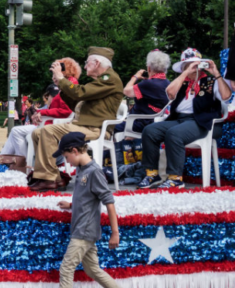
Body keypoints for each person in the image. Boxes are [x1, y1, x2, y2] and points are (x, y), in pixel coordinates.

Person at [30, 132, 140, 288]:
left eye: (66, 157)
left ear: (75, 151)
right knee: (92, 270)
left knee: (66, 268)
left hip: (84, 232)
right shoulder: (82, 170)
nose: (66, 161)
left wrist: (115, 232)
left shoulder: (94, 172)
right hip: (82, 228)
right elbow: (88, 198)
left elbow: (109, 202)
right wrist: (71, 204)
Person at [29, 47, 124, 192]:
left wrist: (61, 79)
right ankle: (55, 176)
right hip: (85, 126)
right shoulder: (101, 81)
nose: (85, 66)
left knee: (47, 131)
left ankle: (48, 178)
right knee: (37, 133)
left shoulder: (109, 79)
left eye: (87, 63)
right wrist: (61, 86)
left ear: (97, 63)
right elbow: (77, 104)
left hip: (95, 129)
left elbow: (81, 93)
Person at [138, 49, 232, 189]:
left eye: (195, 64)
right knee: (149, 131)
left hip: (202, 122)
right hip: (179, 119)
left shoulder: (211, 81)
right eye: (187, 65)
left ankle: (175, 178)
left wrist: (216, 73)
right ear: (182, 68)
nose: (193, 67)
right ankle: (152, 174)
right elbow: (169, 93)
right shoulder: (181, 82)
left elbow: (226, 97)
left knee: (174, 133)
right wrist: (186, 73)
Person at [0, 60, 79, 160]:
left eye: (54, 73)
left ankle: (22, 162)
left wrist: (42, 112)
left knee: (16, 131)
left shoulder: (69, 85)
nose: (53, 77)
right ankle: (2, 159)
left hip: (53, 126)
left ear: (63, 71)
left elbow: (65, 111)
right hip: (51, 123)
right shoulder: (68, 84)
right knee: (14, 133)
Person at [114, 50, 171, 184]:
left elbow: (127, 91)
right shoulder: (167, 82)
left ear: (149, 67)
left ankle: (116, 166)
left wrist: (135, 76)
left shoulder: (147, 84)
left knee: (110, 127)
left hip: (141, 122)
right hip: (156, 121)